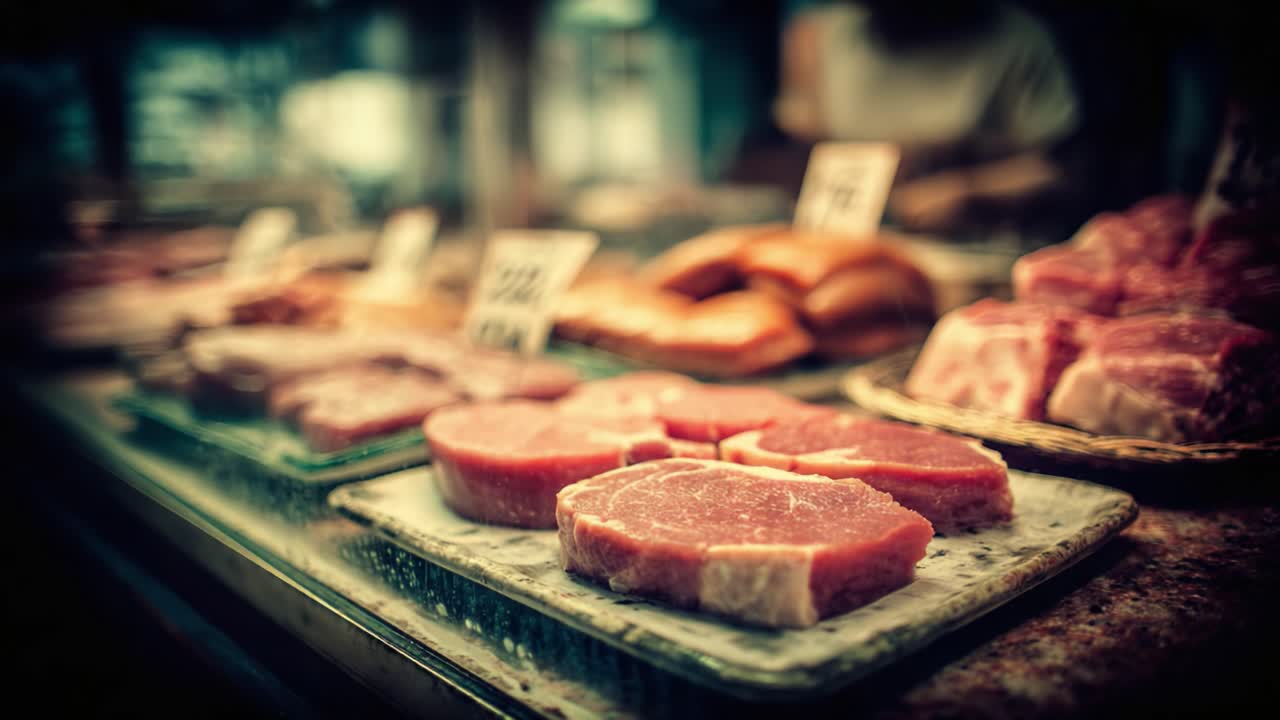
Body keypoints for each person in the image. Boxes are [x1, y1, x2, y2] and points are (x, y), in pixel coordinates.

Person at [774, 0, 1082, 241]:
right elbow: (802, 147)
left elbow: (1063, 170)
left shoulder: (1017, 39)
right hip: (851, 245)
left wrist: (972, 191)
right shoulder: (818, 36)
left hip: (975, 249)